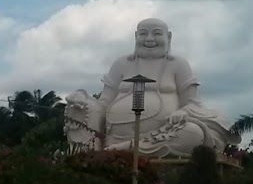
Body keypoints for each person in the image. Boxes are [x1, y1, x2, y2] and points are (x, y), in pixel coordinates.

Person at [71, 18, 231, 157]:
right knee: (76, 110)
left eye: (157, 33)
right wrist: (82, 100)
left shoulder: (178, 64)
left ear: (169, 37)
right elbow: (103, 103)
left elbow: (193, 103)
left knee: (193, 133)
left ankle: (122, 149)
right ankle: (113, 148)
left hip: (164, 134)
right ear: (136, 36)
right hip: (114, 136)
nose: (149, 39)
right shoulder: (121, 64)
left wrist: (183, 112)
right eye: (143, 34)